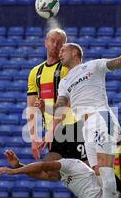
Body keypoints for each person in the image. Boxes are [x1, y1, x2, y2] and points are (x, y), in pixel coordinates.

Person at [40, 40, 121, 198]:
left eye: (64, 50)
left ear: (75, 52)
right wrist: (44, 107)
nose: (60, 53)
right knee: (98, 172)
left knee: (105, 172)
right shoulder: (65, 81)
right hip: (86, 127)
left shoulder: (93, 65)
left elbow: (119, 62)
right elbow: (61, 108)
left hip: (101, 117)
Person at [26, 28, 87, 162]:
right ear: (45, 43)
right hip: (53, 133)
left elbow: (66, 103)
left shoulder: (69, 69)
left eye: (59, 43)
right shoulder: (35, 72)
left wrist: (51, 131)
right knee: (66, 176)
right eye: (52, 41)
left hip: (74, 129)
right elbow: (31, 107)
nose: (55, 45)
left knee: (85, 173)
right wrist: (34, 138)